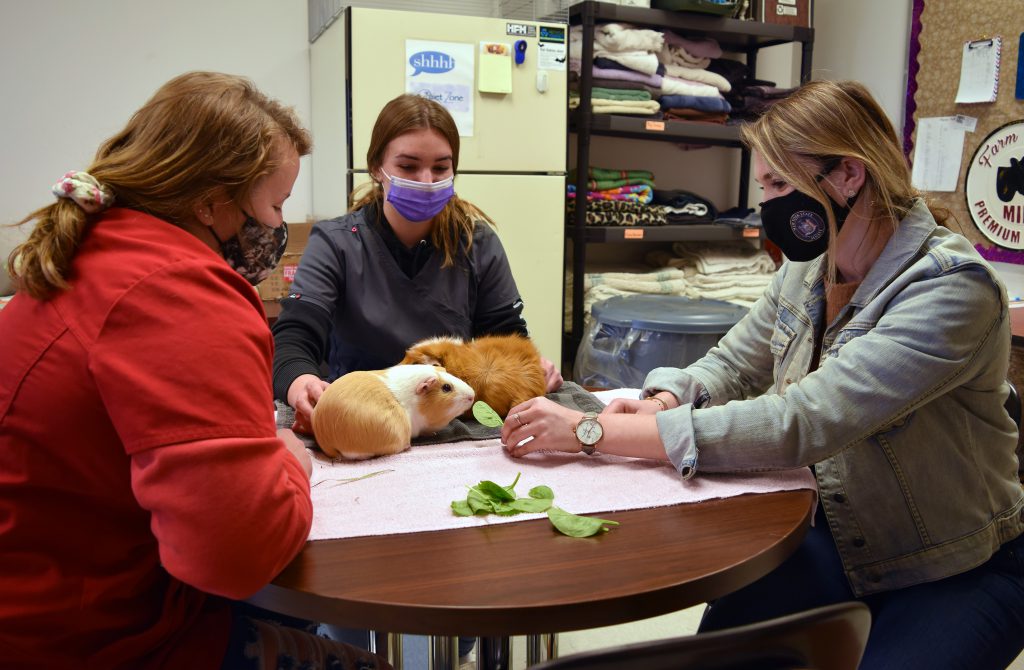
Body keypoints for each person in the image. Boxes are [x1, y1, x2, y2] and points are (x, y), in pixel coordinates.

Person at [498, 80, 1024, 669]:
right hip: (838, 532)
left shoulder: (952, 289)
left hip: (951, 564)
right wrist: (670, 395)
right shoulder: (809, 269)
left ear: (848, 175)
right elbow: (731, 363)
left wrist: (591, 432)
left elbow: (801, 423)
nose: (765, 204)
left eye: (778, 184)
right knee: (718, 655)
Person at [0, 71, 390, 670]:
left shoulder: (103, 249)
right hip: (91, 640)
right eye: (277, 204)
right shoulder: (177, 290)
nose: (279, 227)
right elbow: (234, 555)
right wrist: (289, 459)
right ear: (211, 200)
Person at [272, 93, 562, 437]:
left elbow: (506, 337)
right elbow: (295, 336)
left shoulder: (478, 243)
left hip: (451, 419)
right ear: (376, 167)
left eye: (441, 167)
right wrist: (301, 382)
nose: (426, 181)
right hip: (364, 417)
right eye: (408, 166)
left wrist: (532, 368)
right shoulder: (336, 243)